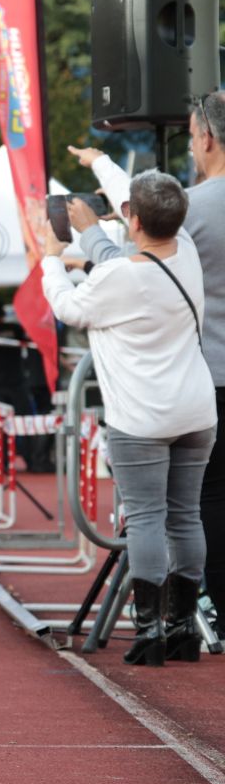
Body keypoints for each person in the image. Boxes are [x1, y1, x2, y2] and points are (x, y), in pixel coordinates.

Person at [42, 169, 216, 665]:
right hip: (196, 410)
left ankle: (148, 633)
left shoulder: (119, 276)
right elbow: (135, 219)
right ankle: (183, 628)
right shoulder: (185, 251)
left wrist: (52, 261)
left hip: (141, 419)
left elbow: (70, 308)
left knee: (145, 519)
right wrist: (102, 167)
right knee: (186, 516)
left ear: (131, 220)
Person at [134, 95, 225, 627]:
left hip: (208, 376)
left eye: (192, 137)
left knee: (205, 501)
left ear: (207, 139)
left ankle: (205, 608)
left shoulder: (192, 210)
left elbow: (145, 274)